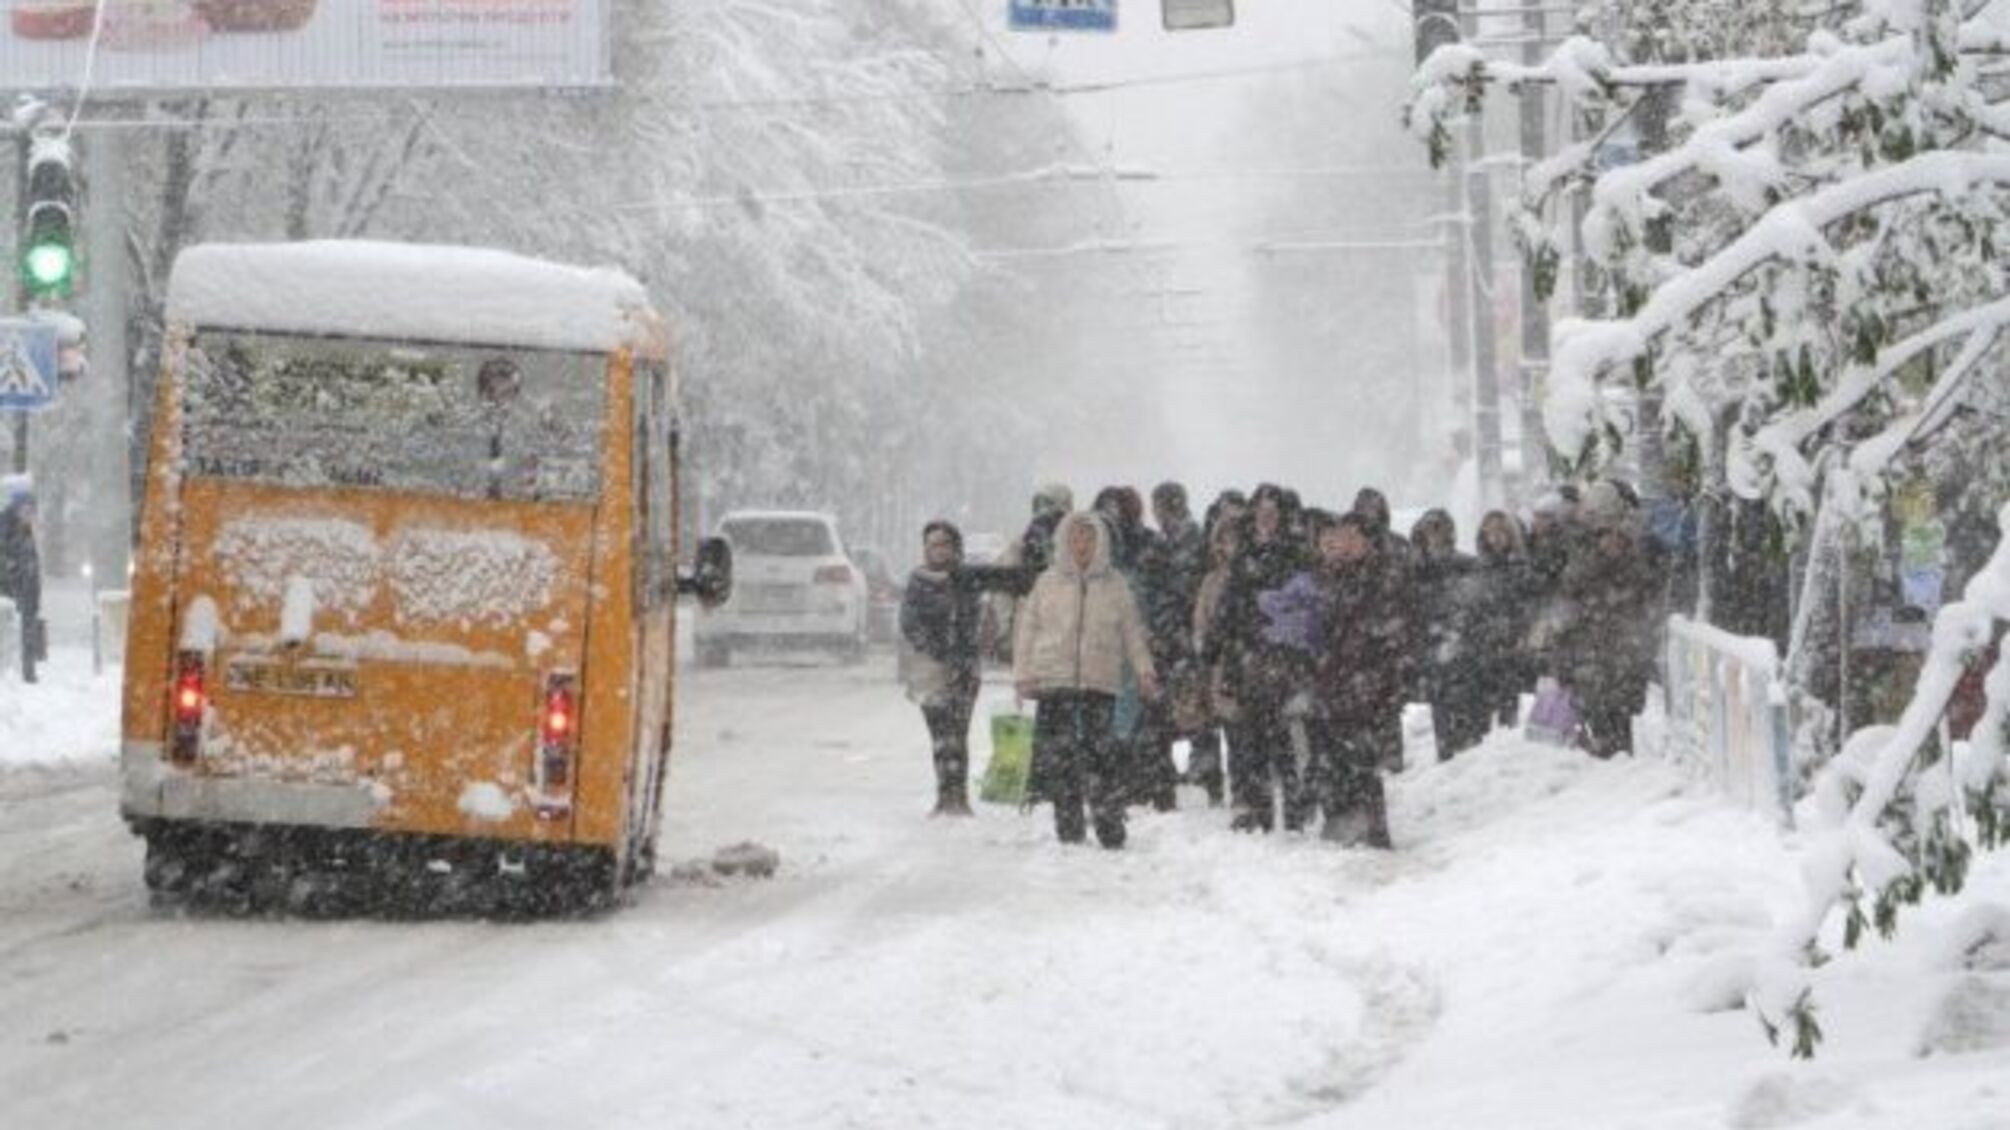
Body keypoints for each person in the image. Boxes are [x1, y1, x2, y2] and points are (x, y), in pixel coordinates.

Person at [1013, 513, 1160, 849]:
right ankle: (1069, 828)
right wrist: (1023, 674)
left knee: (1102, 756)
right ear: (1064, 541)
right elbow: (1027, 630)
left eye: (1089, 538)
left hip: (1099, 682)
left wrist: (1144, 670)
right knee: (1059, 757)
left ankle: (1109, 824)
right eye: (1075, 538)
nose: (1082, 545)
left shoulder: (1116, 584)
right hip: (1054, 680)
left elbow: (1132, 632)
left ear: (1101, 543)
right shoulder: (1047, 582)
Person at [1209, 484, 1311, 832]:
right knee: (1252, 741)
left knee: (1284, 739)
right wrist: (1217, 645)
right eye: (1261, 513)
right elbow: (1227, 608)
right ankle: (1262, 812)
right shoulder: (1244, 557)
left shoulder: (1294, 554)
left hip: (1282, 662)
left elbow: (1303, 607)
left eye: (1273, 513)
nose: (1266, 520)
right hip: (1247, 661)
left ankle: (1295, 813)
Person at [1306, 512, 1405, 847]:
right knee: (1333, 758)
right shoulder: (1327, 578)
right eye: (1338, 537)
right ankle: (1343, 822)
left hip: (1365, 681)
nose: (1342, 545)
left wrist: (1375, 673)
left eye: (1350, 537)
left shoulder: (1380, 575)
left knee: (1361, 759)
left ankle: (1372, 829)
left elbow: (1388, 627)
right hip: (1333, 681)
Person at [1555, 482, 1657, 757]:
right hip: (1592, 662)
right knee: (1593, 729)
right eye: (1605, 536)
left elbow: (1646, 611)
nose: (1611, 542)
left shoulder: (1636, 570)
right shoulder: (1582, 567)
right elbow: (1566, 615)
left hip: (1622, 663)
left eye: (1617, 537)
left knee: (1619, 730)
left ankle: (1616, 774)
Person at [900, 521, 985, 817]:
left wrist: (960, 655)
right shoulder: (917, 581)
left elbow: (972, 621)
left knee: (958, 734)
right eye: (933, 544)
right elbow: (909, 623)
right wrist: (935, 649)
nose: (939, 550)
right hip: (929, 670)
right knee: (939, 735)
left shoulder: (967, 579)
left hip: (964, 668)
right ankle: (943, 794)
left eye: (944, 543)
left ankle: (958, 796)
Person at [1133, 481, 1207, 811]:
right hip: (1173, 642)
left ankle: (1174, 785)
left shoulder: (1184, 543)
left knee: (1181, 715)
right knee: (1168, 717)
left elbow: (1181, 593)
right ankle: (1164, 786)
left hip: (1179, 642)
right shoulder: (1179, 541)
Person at [1410, 509, 1484, 760]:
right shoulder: (1416, 570)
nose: (1434, 536)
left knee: (1469, 712)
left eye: (1439, 529)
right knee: (1441, 711)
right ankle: (1447, 755)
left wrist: (1459, 629)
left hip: (1464, 649)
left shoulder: (1466, 565)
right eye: (1430, 530)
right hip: (1432, 650)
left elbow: (1476, 605)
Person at [1188, 508, 1244, 806]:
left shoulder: (1256, 575)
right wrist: (1205, 649)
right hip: (1220, 668)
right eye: (1223, 539)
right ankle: (1234, 793)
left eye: (1233, 538)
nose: (1227, 545)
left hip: (1249, 667)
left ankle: (1246, 793)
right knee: (1231, 732)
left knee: (1246, 737)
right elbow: (1200, 623)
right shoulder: (1210, 581)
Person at [1469, 510, 1535, 729]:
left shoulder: (1520, 568)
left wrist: (1520, 634)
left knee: (1508, 711)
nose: (1496, 537)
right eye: (1491, 531)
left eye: (1501, 531)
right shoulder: (1477, 568)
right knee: (1481, 715)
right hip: (1481, 647)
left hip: (1510, 646)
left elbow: (1526, 606)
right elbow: (1471, 608)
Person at [0, 477, 43, 684]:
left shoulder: (23, 528)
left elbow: (31, 560)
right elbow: (9, 560)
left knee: (27, 630)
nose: (32, 514)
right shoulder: (7, 527)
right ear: (19, 507)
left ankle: (28, 673)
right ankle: (20, 674)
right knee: (17, 631)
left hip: (26, 593)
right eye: (29, 509)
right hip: (14, 593)